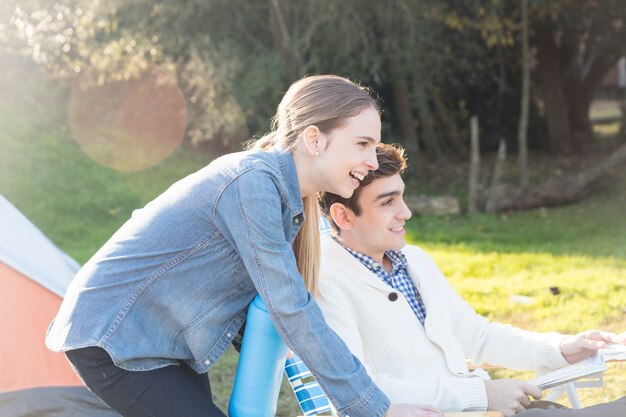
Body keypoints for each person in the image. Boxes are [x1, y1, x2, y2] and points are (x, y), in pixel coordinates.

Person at [45, 75, 442, 417]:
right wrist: (377, 407)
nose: (373, 161)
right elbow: (291, 308)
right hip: (114, 335)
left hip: (167, 340)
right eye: (362, 144)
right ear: (314, 139)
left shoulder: (288, 200)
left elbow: (279, 314)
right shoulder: (253, 185)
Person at [316, 143, 626, 417]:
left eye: (402, 198)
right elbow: (361, 391)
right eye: (388, 203)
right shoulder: (326, 282)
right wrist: (483, 395)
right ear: (344, 216)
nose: (406, 213)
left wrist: (561, 348)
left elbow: (479, 337)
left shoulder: (414, 260)